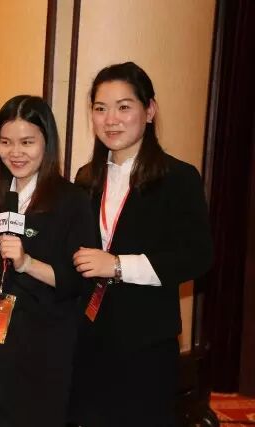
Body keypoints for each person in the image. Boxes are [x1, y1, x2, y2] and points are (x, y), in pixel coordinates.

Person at [69, 62, 213, 427]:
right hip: (89, 339)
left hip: (145, 343)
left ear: (149, 110)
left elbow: (197, 256)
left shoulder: (178, 177)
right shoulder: (86, 178)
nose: (111, 120)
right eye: (100, 108)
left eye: (124, 107)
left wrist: (118, 265)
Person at [0, 95, 96, 427]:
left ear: (47, 143)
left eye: (27, 142)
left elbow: (80, 280)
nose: (15, 152)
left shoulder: (71, 200)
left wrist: (27, 263)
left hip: (43, 346)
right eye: (6, 142)